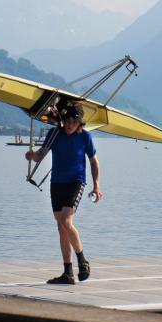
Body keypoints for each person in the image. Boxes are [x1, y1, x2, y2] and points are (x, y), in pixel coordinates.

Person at [25, 101, 102, 285]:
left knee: (67, 221)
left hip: (76, 182)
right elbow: (41, 154)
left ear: (79, 122)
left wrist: (96, 186)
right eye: (66, 120)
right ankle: (68, 273)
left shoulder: (85, 137)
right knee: (61, 227)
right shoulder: (54, 134)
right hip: (57, 183)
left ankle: (82, 260)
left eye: (73, 121)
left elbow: (93, 162)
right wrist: (32, 156)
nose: (69, 124)